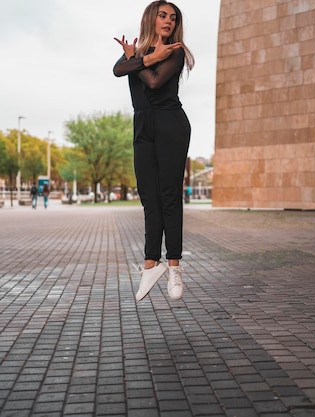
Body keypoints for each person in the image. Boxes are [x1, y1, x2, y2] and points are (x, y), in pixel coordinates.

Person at [113, 0, 194, 301]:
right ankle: (151, 264)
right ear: (151, 18)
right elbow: (118, 70)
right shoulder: (136, 52)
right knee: (149, 196)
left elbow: (155, 81)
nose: (168, 21)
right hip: (143, 126)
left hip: (171, 124)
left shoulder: (175, 52)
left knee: (169, 194)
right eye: (163, 15)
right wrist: (142, 57)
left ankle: (173, 264)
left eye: (173, 18)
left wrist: (141, 60)